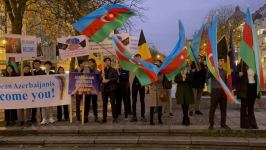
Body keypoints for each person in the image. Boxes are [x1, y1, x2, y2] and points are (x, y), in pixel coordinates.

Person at [207, 57, 230, 130]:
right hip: (215, 91)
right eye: (221, 61)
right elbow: (207, 77)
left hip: (223, 92)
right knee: (212, 108)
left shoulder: (225, 71)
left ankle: (223, 123)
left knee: (223, 109)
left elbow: (226, 82)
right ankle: (211, 124)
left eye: (223, 61)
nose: (222, 62)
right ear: (217, 62)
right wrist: (210, 71)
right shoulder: (214, 70)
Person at [236, 61, 260, 129]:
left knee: (251, 106)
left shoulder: (254, 64)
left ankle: (252, 123)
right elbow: (235, 76)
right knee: (244, 106)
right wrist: (239, 75)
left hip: (253, 87)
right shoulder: (240, 65)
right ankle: (244, 124)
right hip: (245, 88)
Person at [101, 57, 118, 123]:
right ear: (104, 62)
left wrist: (108, 80)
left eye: (109, 61)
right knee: (104, 104)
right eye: (106, 61)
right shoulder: (102, 70)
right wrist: (101, 76)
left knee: (113, 103)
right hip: (104, 90)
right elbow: (100, 80)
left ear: (110, 62)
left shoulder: (113, 70)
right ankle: (104, 118)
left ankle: (114, 117)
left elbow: (116, 78)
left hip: (111, 89)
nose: (108, 62)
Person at [82, 59, 100, 123]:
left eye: (91, 62)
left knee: (94, 103)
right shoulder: (85, 70)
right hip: (87, 89)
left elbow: (98, 80)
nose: (89, 63)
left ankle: (96, 117)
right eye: (89, 62)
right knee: (86, 103)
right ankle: (85, 117)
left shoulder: (97, 71)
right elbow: (83, 77)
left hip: (94, 90)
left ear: (94, 63)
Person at [149, 60, 165, 125]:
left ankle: (159, 119)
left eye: (157, 65)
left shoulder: (161, 72)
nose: (156, 66)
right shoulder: (151, 72)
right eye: (155, 65)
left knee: (159, 106)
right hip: (153, 91)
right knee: (152, 106)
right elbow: (149, 81)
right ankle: (151, 120)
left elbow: (161, 79)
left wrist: (155, 78)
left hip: (159, 90)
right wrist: (152, 79)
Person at [131, 54, 146, 122]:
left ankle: (142, 116)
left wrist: (146, 85)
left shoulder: (143, 65)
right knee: (134, 101)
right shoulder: (132, 65)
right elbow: (131, 75)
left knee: (142, 101)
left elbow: (146, 75)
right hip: (134, 85)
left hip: (141, 84)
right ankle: (134, 116)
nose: (138, 59)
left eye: (139, 58)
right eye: (136, 58)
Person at [40, 61, 56, 125]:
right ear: (44, 66)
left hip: (50, 91)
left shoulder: (53, 73)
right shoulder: (41, 73)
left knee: (50, 105)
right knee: (43, 106)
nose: (47, 66)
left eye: (49, 65)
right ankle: (44, 118)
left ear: (50, 66)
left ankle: (51, 118)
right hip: (43, 91)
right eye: (46, 65)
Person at [31, 59, 45, 123]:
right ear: (33, 65)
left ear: (40, 65)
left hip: (40, 91)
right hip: (33, 92)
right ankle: (33, 118)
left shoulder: (42, 72)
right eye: (35, 64)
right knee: (33, 106)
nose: (36, 65)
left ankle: (42, 118)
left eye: (38, 64)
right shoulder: (32, 73)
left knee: (41, 106)